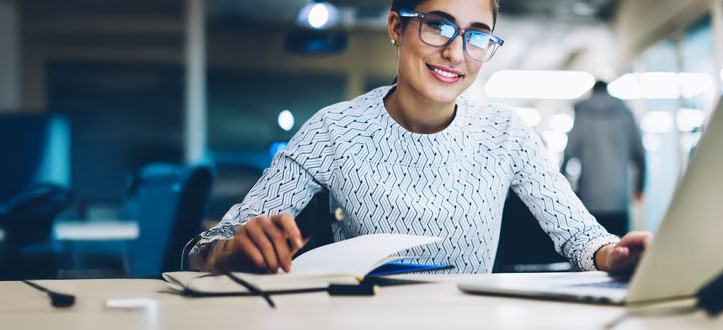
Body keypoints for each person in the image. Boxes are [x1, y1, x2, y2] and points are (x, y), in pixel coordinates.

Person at [187, 0, 651, 275]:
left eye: (477, 35)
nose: (455, 51)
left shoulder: (506, 134)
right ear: (397, 27)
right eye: (437, 24)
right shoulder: (334, 129)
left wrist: (615, 255)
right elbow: (201, 251)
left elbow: (581, 236)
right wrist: (230, 251)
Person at [563, 81, 646, 236]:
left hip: (589, 199)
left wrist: (563, 190)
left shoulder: (582, 113)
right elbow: (640, 154)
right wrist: (640, 187)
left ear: (593, 92)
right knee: (619, 250)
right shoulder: (625, 113)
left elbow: (568, 153)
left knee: (591, 250)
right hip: (619, 198)